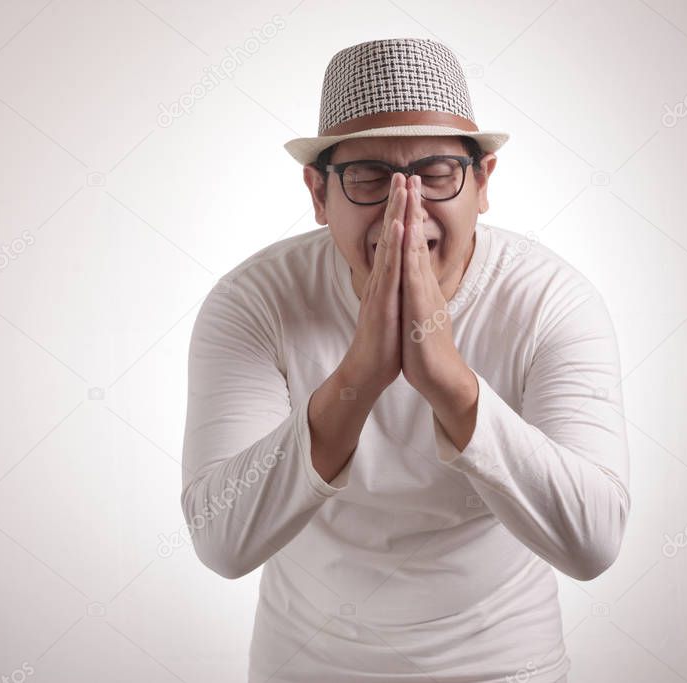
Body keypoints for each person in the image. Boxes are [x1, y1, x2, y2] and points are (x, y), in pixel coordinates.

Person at [180, 37, 631, 683]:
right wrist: (357, 379)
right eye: (367, 177)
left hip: (508, 666)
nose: (405, 206)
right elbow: (221, 540)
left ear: (482, 182)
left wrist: (448, 379)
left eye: (438, 171)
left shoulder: (552, 301)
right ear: (317, 193)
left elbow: (591, 543)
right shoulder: (253, 301)